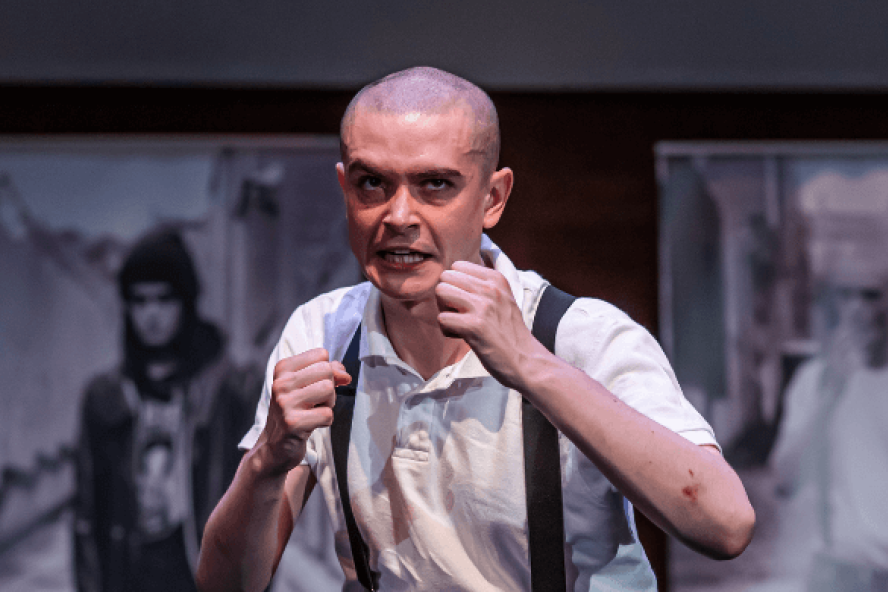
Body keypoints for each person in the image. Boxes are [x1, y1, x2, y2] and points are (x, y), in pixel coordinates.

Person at [196, 67, 755, 592]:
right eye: (372, 183)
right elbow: (223, 583)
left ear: (493, 198)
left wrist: (530, 365)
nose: (398, 216)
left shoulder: (580, 336)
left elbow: (725, 525)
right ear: (345, 189)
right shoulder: (323, 331)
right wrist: (268, 458)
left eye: (435, 184)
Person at [74, 229, 263, 592]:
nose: (151, 315)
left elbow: (259, 515)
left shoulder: (228, 393)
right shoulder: (106, 398)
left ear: (185, 303)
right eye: (139, 301)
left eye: (164, 299)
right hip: (128, 577)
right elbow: (87, 517)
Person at [771, 266, 888, 591]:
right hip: (839, 573)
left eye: (870, 295)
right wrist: (831, 393)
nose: (858, 307)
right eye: (846, 295)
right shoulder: (814, 380)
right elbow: (785, 479)